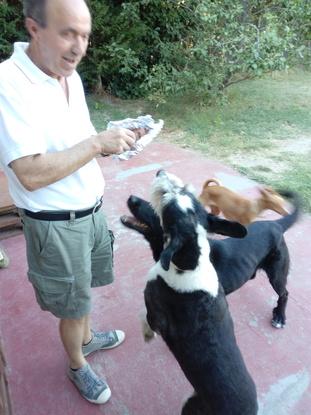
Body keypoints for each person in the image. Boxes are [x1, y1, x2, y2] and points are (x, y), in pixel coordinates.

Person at [0, 0, 137, 405]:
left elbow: (76, 138)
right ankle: (77, 363)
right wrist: (97, 143)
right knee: (72, 306)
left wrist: (110, 141)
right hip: (56, 224)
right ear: (34, 29)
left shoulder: (67, 74)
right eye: (68, 33)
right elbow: (29, 172)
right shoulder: (9, 84)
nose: (79, 46)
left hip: (90, 211)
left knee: (85, 293)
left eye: (85, 35)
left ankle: (89, 339)